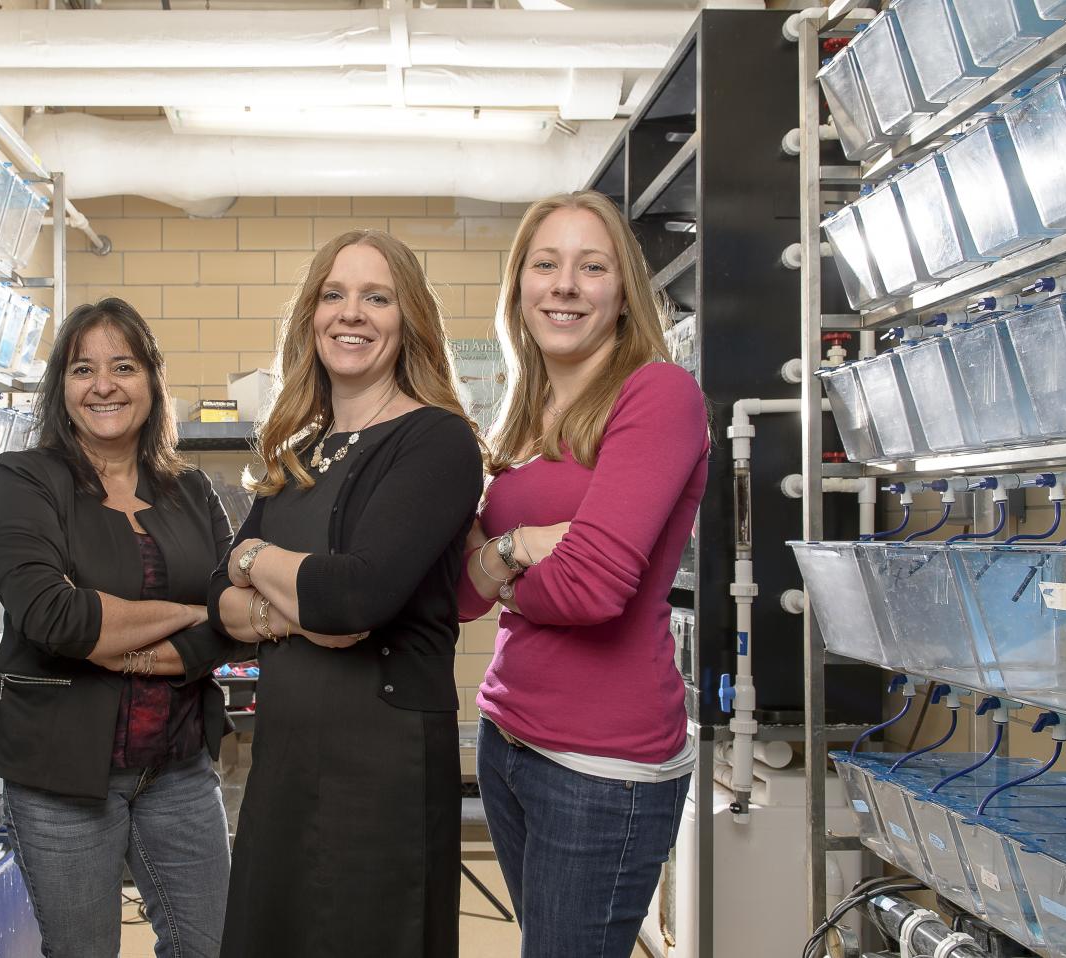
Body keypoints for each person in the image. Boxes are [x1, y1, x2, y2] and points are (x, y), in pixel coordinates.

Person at [201, 230, 484, 958]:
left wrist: (255, 558)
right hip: (290, 754)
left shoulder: (437, 441)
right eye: (334, 295)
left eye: (376, 297)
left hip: (382, 766)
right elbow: (220, 604)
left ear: (408, 318)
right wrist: (283, 599)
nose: (351, 314)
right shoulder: (302, 449)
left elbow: (351, 599)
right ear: (311, 316)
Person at [458, 191, 709, 958]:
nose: (565, 284)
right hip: (508, 736)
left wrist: (502, 561)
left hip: (602, 764)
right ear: (519, 287)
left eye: (590, 266)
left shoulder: (657, 394)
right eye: (546, 264)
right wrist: (526, 546)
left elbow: (593, 592)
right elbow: (462, 594)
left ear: (622, 289)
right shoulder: (520, 417)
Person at [0, 298, 237, 958]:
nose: (105, 385)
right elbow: (54, 617)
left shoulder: (191, 490)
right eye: (84, 369)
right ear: (62, 387)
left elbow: (233, 617)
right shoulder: (24, 479)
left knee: (213, 946)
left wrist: (145, 641)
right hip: (60, 775)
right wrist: (194, 611)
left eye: (124, 365)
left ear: (152, 380)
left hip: (178, 768)